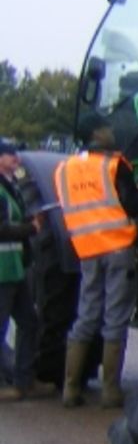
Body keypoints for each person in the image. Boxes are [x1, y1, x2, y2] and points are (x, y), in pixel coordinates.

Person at [53, 117, 138, 408]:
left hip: (87, 250)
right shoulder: (115, 165)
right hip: (118, 247)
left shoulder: (66, 169)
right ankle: (110, 391)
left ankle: (70, 388)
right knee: (115, 317)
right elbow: (132, 205)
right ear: (96, 134)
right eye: (106, 128)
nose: (112, 131)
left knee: (87, 314)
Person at [0, 140, 43, 401]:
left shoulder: (10, 186)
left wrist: (28, 223)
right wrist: (32, 228)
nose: (15, 157)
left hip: (15, 269)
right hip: (3, 271)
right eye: (9, 154)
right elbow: (2, 229)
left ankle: (23, 380)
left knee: (29, 322)